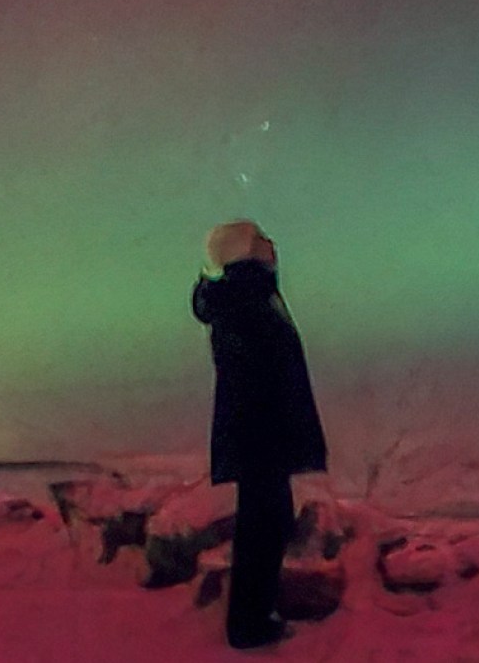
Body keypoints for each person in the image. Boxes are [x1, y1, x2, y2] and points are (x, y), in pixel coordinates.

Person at [192, 220, 328, 649]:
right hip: (261, 437)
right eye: (261, 240)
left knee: (268, 525)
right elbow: (257, 378)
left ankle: (255, 616)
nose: (272, 244)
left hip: (260, 437)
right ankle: (248, 625)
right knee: (263, 528)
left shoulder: (248, 297)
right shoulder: (245, 302)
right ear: (245, 254)